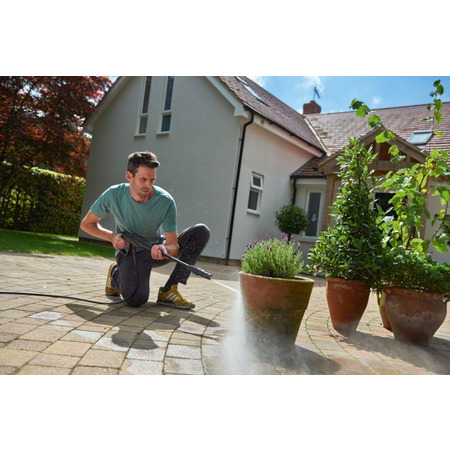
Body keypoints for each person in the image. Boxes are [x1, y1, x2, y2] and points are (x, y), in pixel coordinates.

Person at [80, 151, 210, 309]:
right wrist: (112, 237)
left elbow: (173, 245)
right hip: (130, 252)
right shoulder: (113, 195)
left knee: (200, 231)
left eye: (152, 180)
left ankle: (169, 290)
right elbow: (87, 224)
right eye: (143, 179)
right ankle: (115, 274)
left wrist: (164, 249)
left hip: (156, 249)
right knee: (136, 299)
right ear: (129, 176)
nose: (148, 185)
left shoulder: (165, 201)